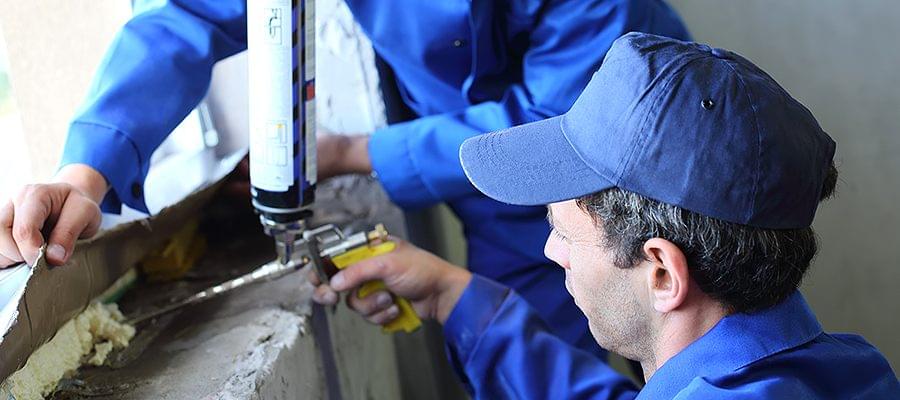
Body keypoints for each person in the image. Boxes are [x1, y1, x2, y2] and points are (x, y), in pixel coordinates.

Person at [0, 0, 689, 357]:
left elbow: (560, 126)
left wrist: (355, 152)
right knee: (523, 354)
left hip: (641, 161)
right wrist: (86, 174)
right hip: (486, 188)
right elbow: (188, 17)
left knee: (688, 354)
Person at [309, 33, 900, 398]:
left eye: (563, 234)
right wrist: (449, 295)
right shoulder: (845, 369)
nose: (550, 252)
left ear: (663, 273)